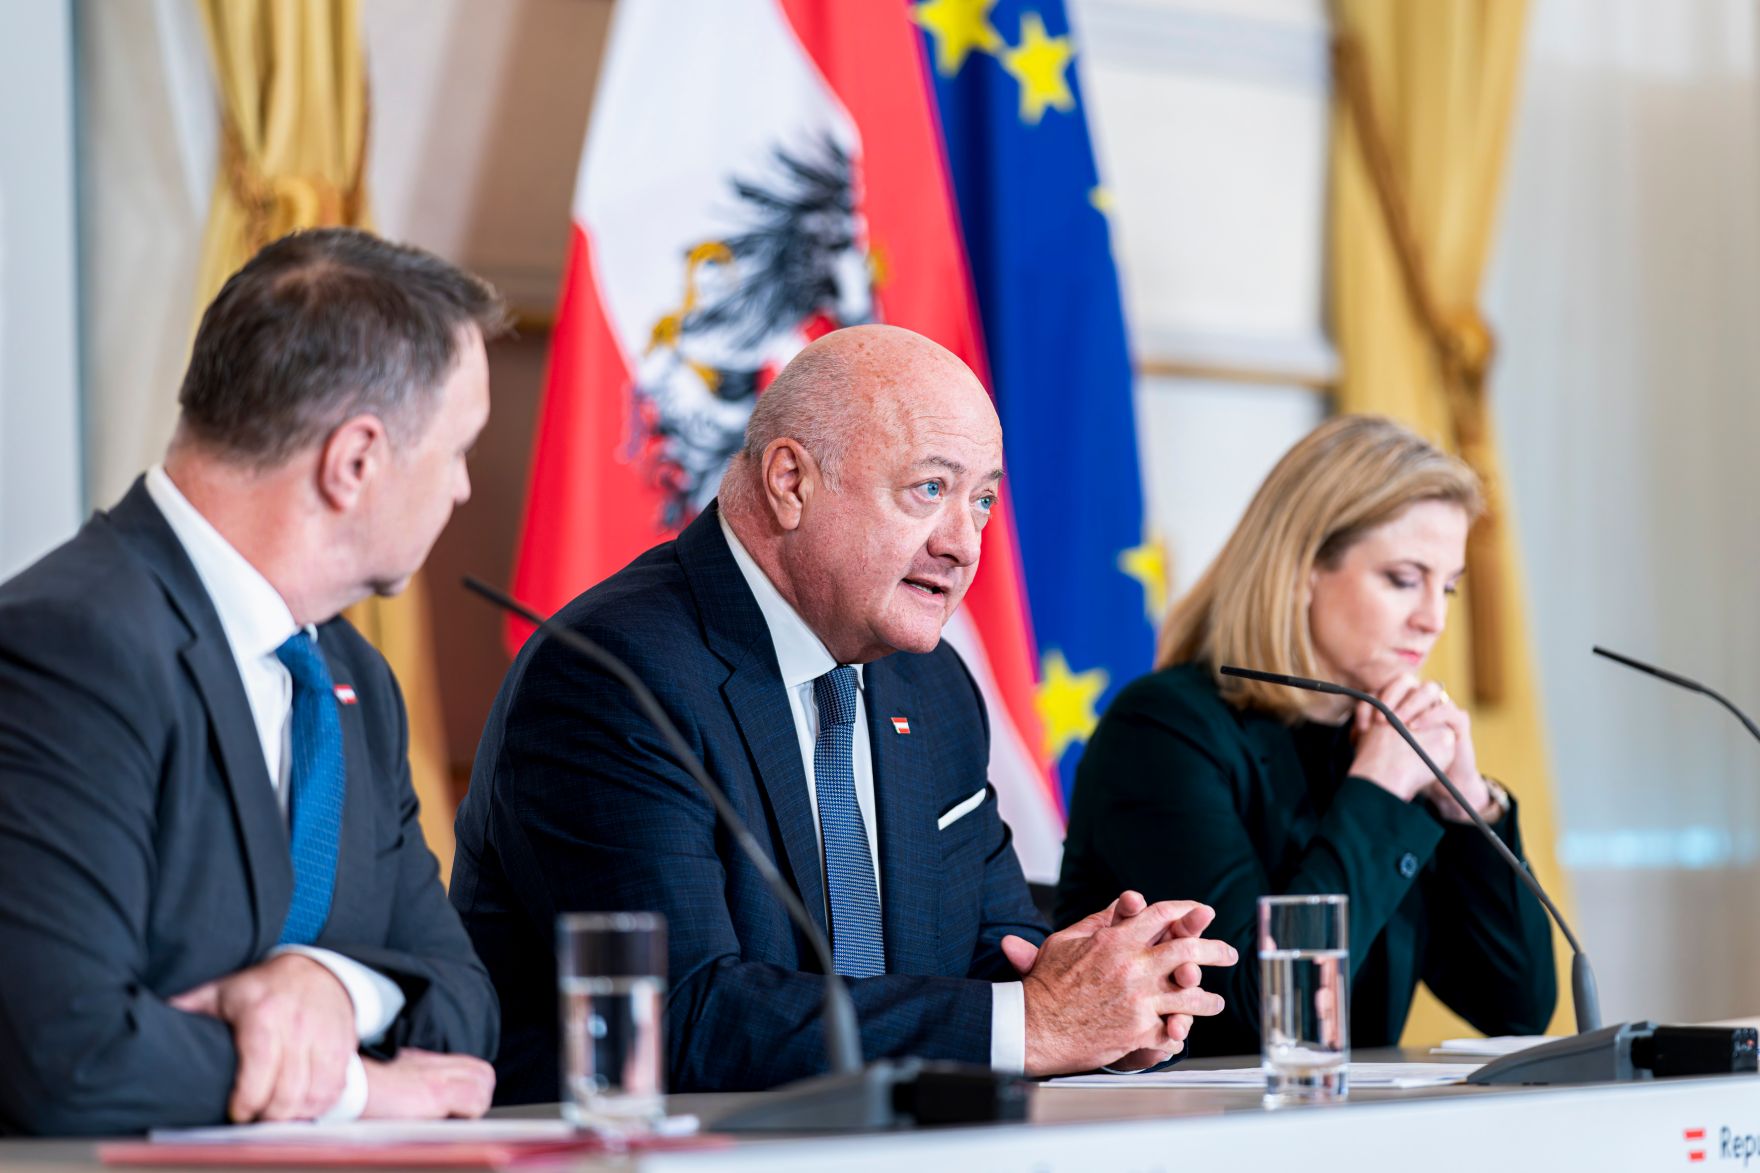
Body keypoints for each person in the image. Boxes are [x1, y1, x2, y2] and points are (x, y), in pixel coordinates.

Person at [453, 324, 1237, 1101]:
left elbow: (991, 955)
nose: (965, 543)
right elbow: (679, 1016)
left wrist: (1100, 997)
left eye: (984, 500)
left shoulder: (931, 688)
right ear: (791, 481)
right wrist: (1032, 1024)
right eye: (930, 489)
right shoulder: (614, 672)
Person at [0, 229, 506, 1135]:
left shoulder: (355, 681)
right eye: (457, 449)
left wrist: (330, 986)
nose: (464, 488)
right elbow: (66, 1054)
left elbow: (463, 1002)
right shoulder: (69, 646)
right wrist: (354, 1088)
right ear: (355, 462)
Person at [1056, 415, 1557, 1057]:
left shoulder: (1382, 741)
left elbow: (1516, 1007)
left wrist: (1465, 805)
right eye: (1404, 579)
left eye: (1449, 588)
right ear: (1304, 567)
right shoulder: (1163, 730)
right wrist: (1376, 790)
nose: (1433, 618)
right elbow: (1258, 1008)